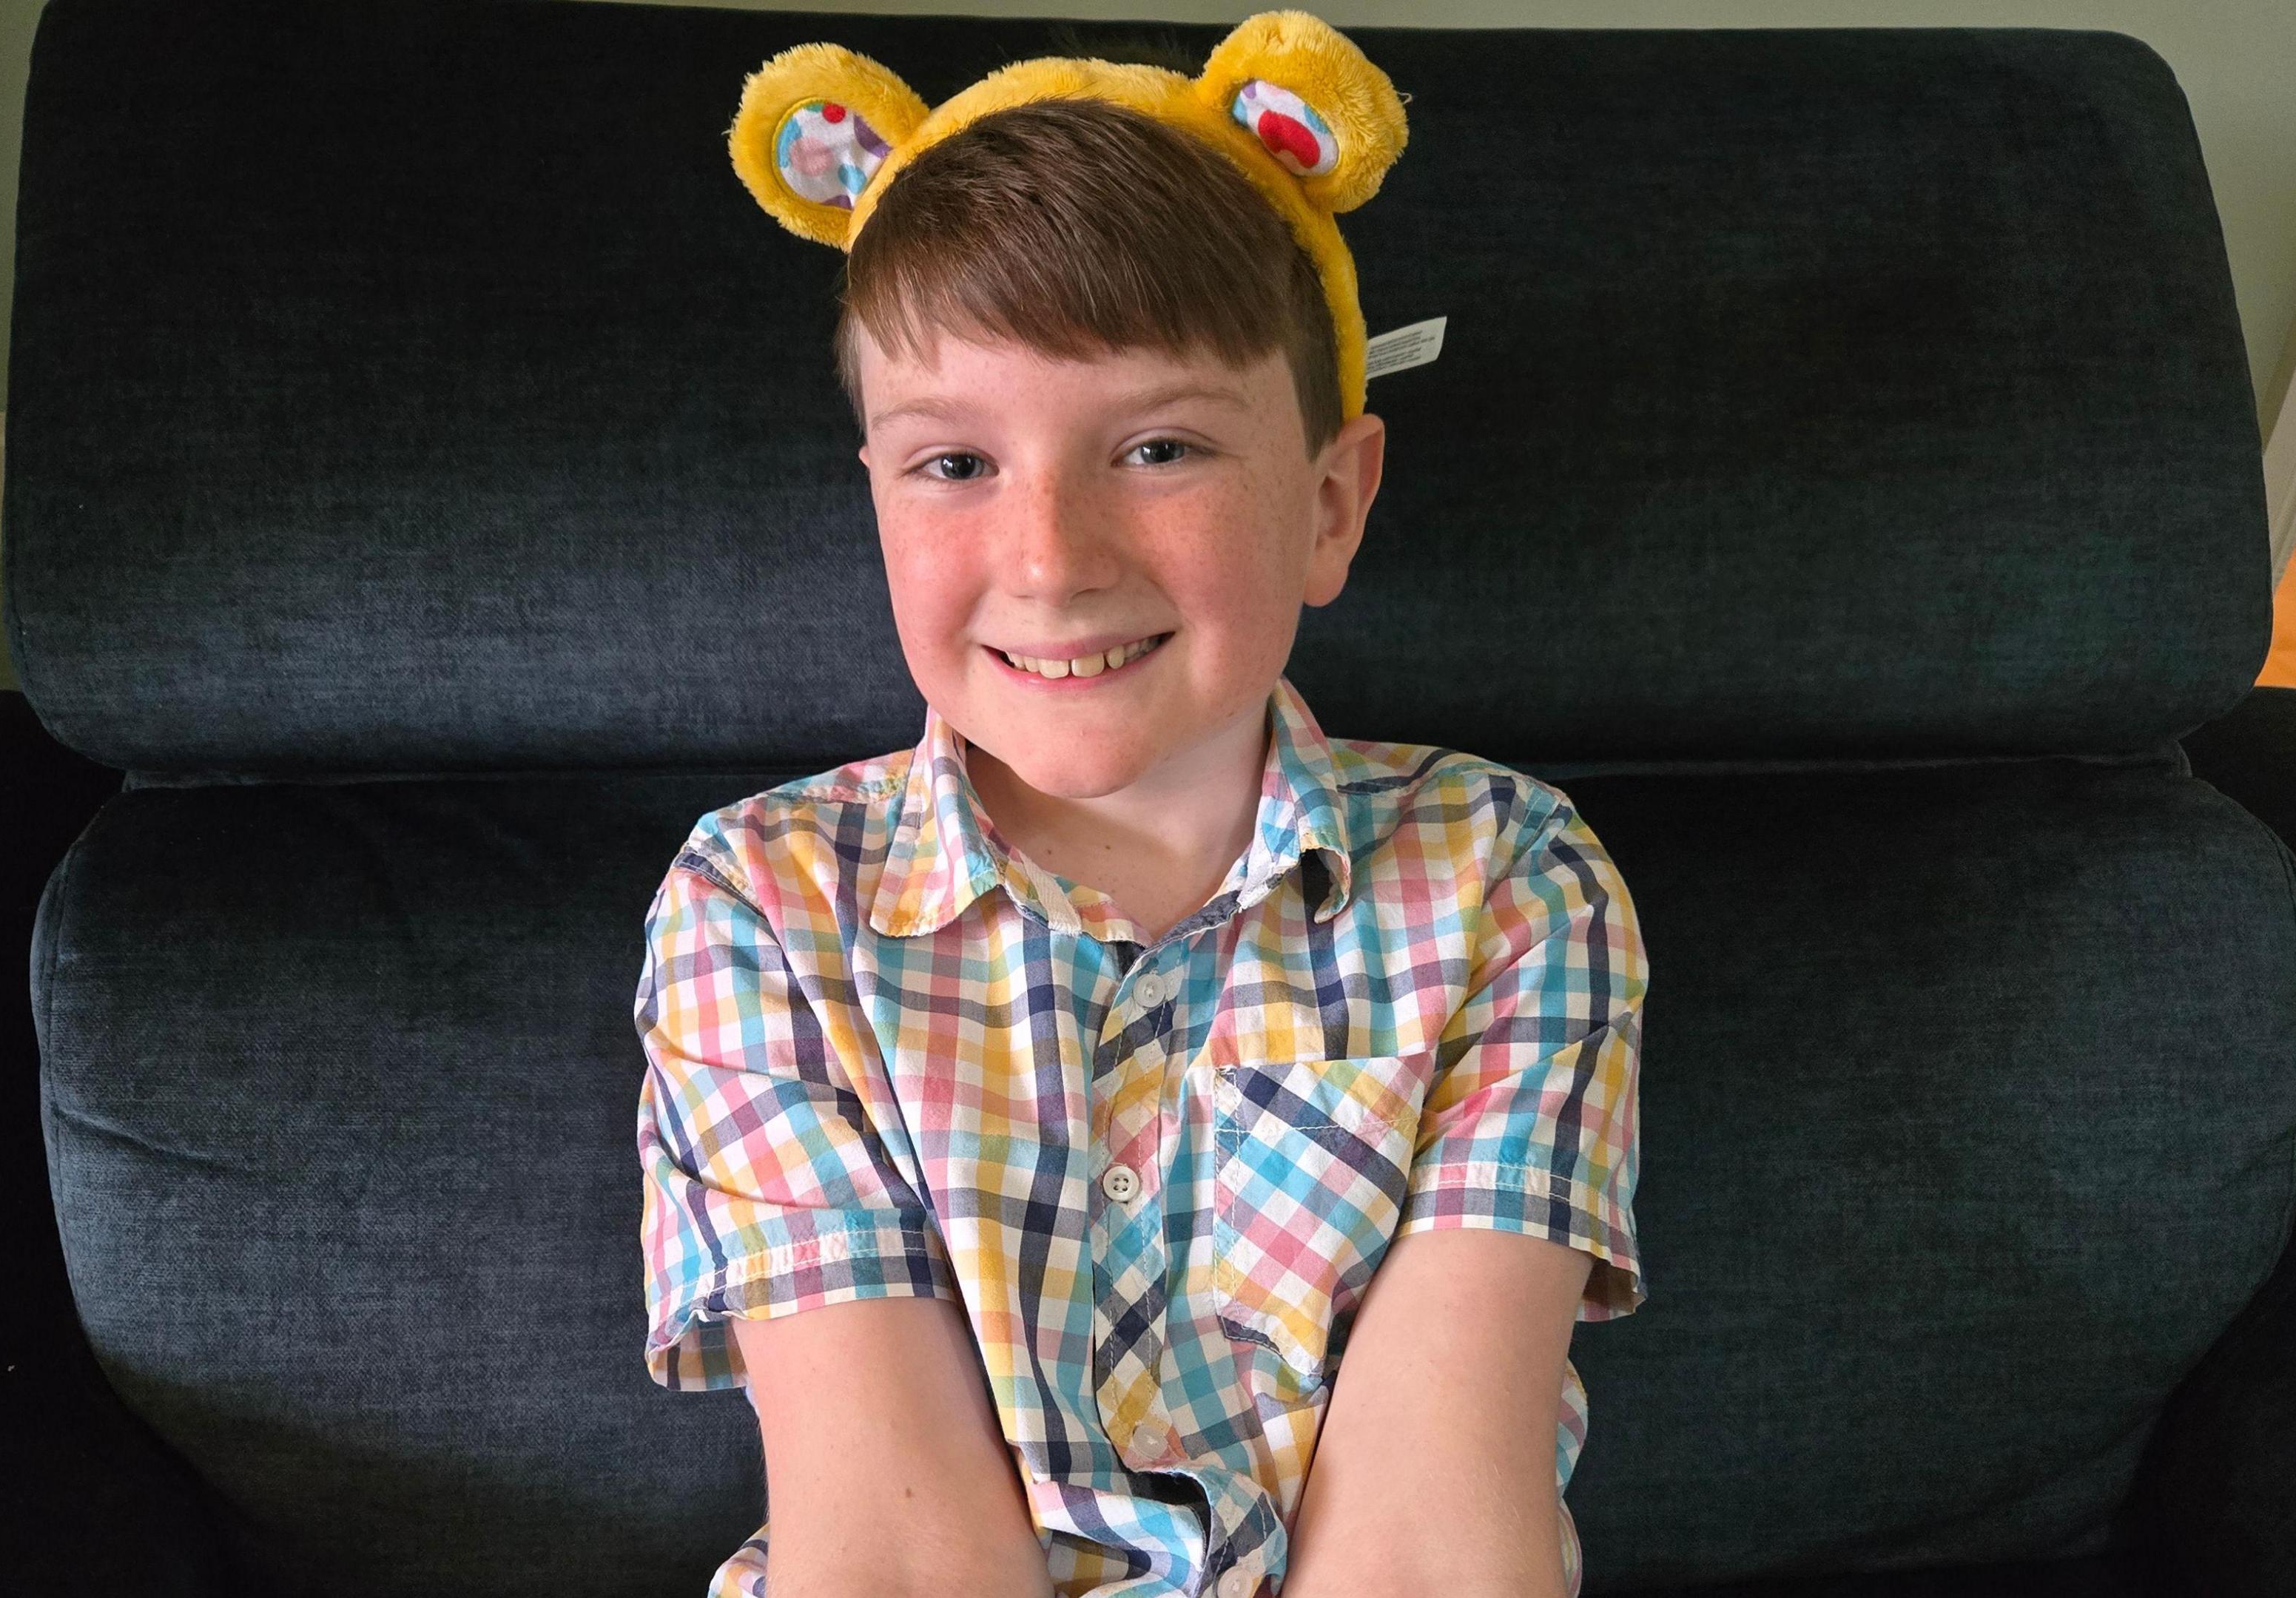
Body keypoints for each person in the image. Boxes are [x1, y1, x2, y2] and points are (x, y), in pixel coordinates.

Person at [635, 14, 1646, 1597]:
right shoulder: (761, 906)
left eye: (1159, 446)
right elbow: (890, 1551)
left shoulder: (1513, 883)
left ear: (1329, 504)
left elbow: (1436, 1534)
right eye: (955, 464)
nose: (1051, 558)